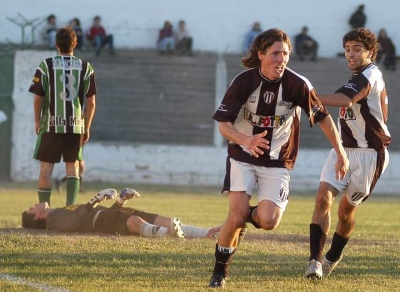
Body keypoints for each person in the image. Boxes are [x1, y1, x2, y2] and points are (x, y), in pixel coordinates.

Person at [208, 28, 348, 288]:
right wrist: (246, 140)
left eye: (285, 54)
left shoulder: (298, 85)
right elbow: (223, 126)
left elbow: (324, 118)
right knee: (236, 216)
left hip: (278, 161)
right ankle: (219, 274)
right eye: (275, 53)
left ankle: (242, 217)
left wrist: (341, 153)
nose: (281, 59)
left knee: (269, 221)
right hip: (242, 155)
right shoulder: (243, 82)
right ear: (261, 55)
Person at [305, 28, 391, 280]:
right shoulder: (357, 76)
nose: (350, 54)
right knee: (322, 198)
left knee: (345, 213)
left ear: (370, 53)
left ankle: (334, 255)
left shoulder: (370, 75)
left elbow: (344, 101)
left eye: (357, 49)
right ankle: (315, 262)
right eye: (347, 49)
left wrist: (309, 98)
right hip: (343, 150)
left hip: (369, 156)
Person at [29, 26, 97, 207]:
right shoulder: (86, 67)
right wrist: (87, 127)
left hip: (51, 124)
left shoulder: (46, 66)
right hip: (75, 125)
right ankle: (70, 211)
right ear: (75, 43)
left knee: (46, 168)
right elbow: (91, 102)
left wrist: (37, 121)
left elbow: (37, 99)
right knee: (72, 167)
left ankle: (44, 211)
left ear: (56, 44)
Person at [22, 188, 220, 239]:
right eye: (32, 209)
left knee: (164, 219)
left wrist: (120, 201)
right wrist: (96, 198)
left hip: (107, 216)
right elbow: (73, 222)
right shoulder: (54, 219)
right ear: (37, 217)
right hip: (100, 222)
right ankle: (167, 235)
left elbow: (87, 213)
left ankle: (206, 233)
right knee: (134, 221)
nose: (34, 205)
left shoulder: (59, 211)